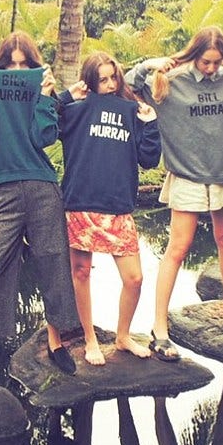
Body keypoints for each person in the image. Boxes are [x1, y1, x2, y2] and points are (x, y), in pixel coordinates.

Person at [125, 26, 223, 361]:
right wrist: (148, 65)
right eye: (205, 61)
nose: (211, 68)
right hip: (188, 176)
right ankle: (159, 328)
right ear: (194, 55)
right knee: (177, 248)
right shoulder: (173, 82)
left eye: (217, 61)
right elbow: (129, 85)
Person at [0, 31, 80, 396]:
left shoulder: (45, 91)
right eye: (11, 64)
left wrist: (44, 96)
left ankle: (57, 343)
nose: (18, 69)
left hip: (41, 186)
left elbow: (45, 138)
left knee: (53, 263)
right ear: (1, 64)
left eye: (26, 64)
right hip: (3, 188)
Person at [58, 52, 161, 365]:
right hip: (81, 203)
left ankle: (123, 335)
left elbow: (149, 159)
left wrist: (150, 123)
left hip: (118, 207)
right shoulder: (75, 111)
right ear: (90, 81)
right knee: (81, 272)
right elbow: (42, 124)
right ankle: (89, 338)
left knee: (134, 279)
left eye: (112, 77)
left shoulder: (132, 112)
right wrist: (64, 97)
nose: (109, 84)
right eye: (101, 79)